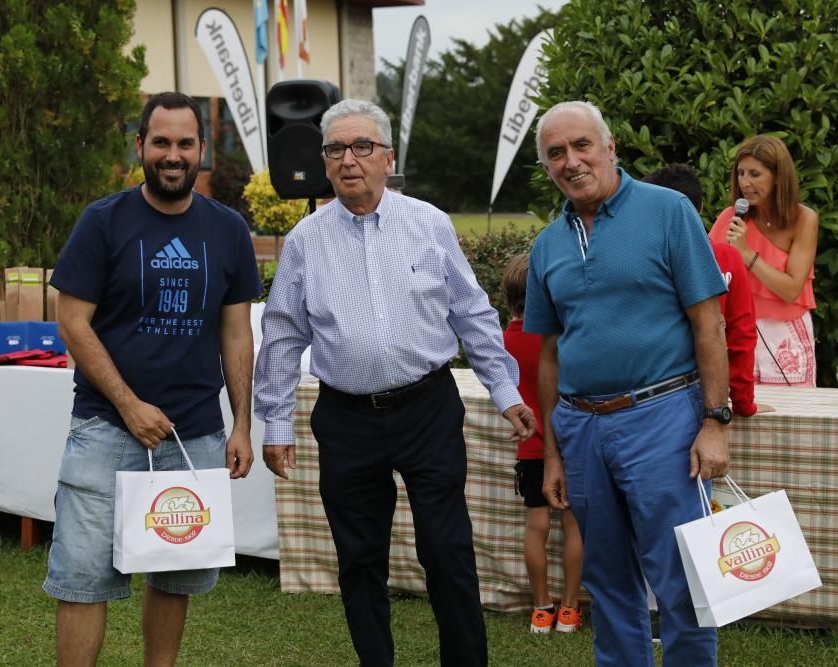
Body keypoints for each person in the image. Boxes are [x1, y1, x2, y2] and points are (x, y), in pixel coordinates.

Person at [254, 99, 536, 667]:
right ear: (326, 163)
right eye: (336, 150)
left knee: (447, 549)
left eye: (361, 147)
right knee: (359, 560)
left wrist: (506, 393)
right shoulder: (306, 240)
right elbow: (282, 334)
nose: (348, 160)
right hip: (346, 417)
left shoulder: (427, 222)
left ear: (387, 157)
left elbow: (472, 313)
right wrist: (276, 422)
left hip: (426, 407)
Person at [43, 92, 263, 665]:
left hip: (194, 436)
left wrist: (241, 425)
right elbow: (72, 320)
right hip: (103, 429)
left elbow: (237, 334)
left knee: (174, 578)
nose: (173, 154)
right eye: (160, 142)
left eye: (184, 143)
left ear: (201, 151)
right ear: (140, 146)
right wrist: (129, 404)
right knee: (83, 580)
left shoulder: (229, 230)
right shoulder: (103, 221)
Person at [525, 101, 730, 666]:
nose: (571, 161)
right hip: (580, 426)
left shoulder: (668, 212)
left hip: (662, 416)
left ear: (610, 146)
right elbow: (549, 356)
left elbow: (707, 322)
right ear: (546, 166)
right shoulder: (548, 244)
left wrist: (715, 421)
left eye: (582, 145)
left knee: (680, 577)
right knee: (607, 579)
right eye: (556, 153)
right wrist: (553, 455)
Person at [501, 253, 584, 634]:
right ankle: (569, 609)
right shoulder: (562, 338)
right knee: (574, 527)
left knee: (536, 527)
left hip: (531, 447)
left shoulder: (504, 342)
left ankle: (540, 608)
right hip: (569, 439)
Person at [643, 163, 766, 416]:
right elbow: (741, 337)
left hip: (650, 400)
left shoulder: (639, 262)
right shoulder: (727, 257)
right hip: (708, 399)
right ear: (699, 208)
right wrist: (743, 404)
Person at [709, 135, 819, 387]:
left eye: (755, 174)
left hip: (785, 337)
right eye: (741, 173)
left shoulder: (804, 219)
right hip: (736, 334)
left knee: (790, 417)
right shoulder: (731, 217)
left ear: (778, 176)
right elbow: (705, 276)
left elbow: (792, 289)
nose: (745, 183)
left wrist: (747, 254)